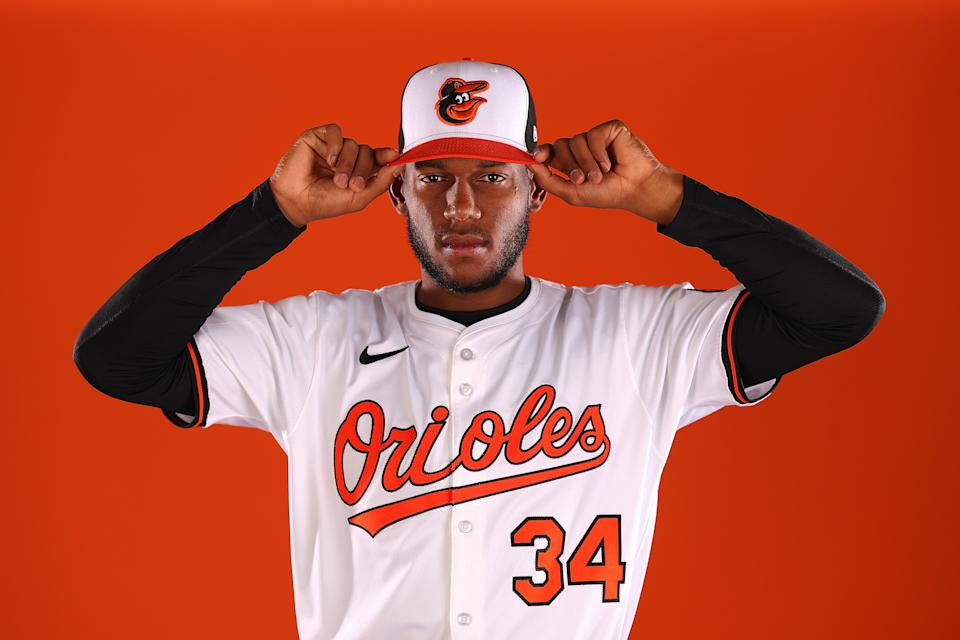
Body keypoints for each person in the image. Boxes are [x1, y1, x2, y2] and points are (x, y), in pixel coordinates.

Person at [73, 59, 884, 639]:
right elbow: (117, 358)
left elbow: (839, 310)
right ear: (395, 194)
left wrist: (663, 197)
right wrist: (271, 212)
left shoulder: (639, 338)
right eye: (433, 177)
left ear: (541, 187)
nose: (461, 205)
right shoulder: (314, 341)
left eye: (493, 177)